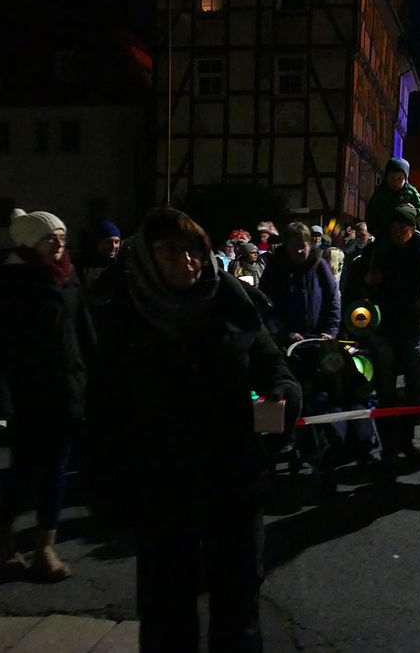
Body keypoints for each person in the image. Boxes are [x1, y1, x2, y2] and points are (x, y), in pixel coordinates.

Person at [88, 207, 301, 652]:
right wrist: (108, 487)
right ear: (147, 258)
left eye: (195, 251)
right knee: (168, 611)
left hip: (233, 481)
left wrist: (281, 393)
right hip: (162, 486)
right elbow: (105, 406)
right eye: (172, 252)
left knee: (238, 606)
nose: (188, 262)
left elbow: (270, 361)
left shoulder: (228, 298)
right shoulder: (124, 313)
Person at [0, 208, 96, 582]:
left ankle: (45, 545)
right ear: (30, 242)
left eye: (62, 236)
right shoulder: (10, 282)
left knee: (57, 470)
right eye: (51, 238)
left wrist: (97, 375)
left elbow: (83, 330)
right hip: (30, 394)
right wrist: (0, 402)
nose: (60, 244)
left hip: (67, 389)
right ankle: (2, 533)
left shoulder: (67, 276)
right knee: (25, 471)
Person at [345, 205, 420, 466]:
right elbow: (353, 290)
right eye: (396, 228)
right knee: (386, 393)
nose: (400, 233)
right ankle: (390, 449)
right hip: (383, 331)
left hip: (413, 329)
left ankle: (406, 440)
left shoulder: (419, 249)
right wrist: (367, 284)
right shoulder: (375, 252)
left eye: (405, 229)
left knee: (416, 392)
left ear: (412, 229)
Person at [259, 222, 341, 343]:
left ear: (309, 244)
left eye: (303, 247)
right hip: (285, 342)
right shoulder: (275, 268)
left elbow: (333, 298)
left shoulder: (319, 265)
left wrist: (330, 331)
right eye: (294, 247)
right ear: (286, 246)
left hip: (319, 338)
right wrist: (283, 332)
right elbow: (264, 303)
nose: (299, 251)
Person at [365, 157, 420, 239]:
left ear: (405, 178)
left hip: (406, 235)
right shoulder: (380, 193)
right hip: (384, 233)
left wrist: (416, 212)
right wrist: (375, 230)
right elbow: (370, 212)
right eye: (392, 178)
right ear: (387, 176)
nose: (395, 182)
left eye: (400, 179)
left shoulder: (411, 192)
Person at [80, 220, 121, 290]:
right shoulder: (84, 266)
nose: (113, 246)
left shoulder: (121, 265)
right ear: (98, 243)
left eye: (116, 242)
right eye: (108, 242)